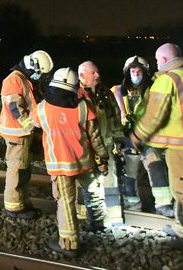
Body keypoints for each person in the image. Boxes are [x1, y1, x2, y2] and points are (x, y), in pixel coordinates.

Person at [30, 67, 109, 257]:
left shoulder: (42, 109)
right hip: (85, 162)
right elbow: (96, 137)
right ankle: (97, 224)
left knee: (66, 203)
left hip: (60, 166)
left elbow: (32, 124)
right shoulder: (84, 107)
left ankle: (69, 243)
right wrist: (102, 159)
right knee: (93, 193)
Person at [130, 43, 183, 249]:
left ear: (164, 61)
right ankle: (182, 225)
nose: (157, 64)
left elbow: (154, 116)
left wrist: (136, 135)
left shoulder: (168, 80)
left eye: (158, 61)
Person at [111, 56, 173, 217]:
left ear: (145, 72)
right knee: (129, 176)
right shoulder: (117, 91)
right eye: (132, 71)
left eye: (139, 71)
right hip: (127, 140)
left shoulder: (153, 89)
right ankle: (133, 208)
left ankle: (164, 205)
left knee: (157, 169)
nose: (136, 74)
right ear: (127, 72)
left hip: (148, 139)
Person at [0, 50, 53, 219]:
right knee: (17, 171)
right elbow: (15, 108)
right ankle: (14, 208)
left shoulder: (22, 79)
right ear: (32, 65)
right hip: (17, 134)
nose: (39, 76)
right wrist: (31, 127)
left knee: (23, 170)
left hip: (22, 134)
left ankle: (22, 202)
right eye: (39, 73)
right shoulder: (14, 79)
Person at [77, 60, 126, 228]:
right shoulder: (77, 95)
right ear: (82, 76)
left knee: (110, 183)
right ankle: (90, 219)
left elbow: (115, 117)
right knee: (89, 186)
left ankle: (114, 218)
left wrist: (119, 141)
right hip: (86, 150)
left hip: (107, 146)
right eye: (93, 73)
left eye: (97, 72)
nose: (98, 75)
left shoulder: (105, 92)